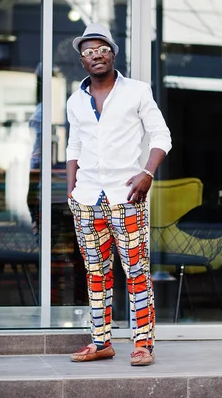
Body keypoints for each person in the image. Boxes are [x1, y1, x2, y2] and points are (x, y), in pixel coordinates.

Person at [65, 23, 171, 366]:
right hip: (86, 200)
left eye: (102, 49)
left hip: (127, 196)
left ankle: (143, 345)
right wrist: (71, 191)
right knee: (96, 273)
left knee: (136, 271)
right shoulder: (74, 100)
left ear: (113, 53)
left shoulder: (137, 91)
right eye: (88, 52)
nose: (96, 56)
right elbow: (74, 146)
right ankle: (101, 342)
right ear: (82, 61)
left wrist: (148, 173)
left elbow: (161, 136)